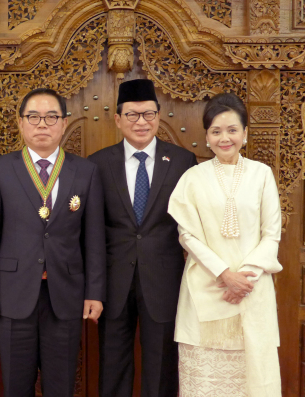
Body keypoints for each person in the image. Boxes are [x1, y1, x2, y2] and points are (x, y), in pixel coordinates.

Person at [0, 88, 106, 397]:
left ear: (63, 123)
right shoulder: (0, 170)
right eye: (33, 117)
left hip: (66, 295)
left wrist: (95, 292)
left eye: (51, 117)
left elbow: (95, 239)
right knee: (16, 385)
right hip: (11, 295)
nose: (42, 124)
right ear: (21, 124)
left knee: (60, 385)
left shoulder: (85, 172)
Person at [88, 79, 198, 397]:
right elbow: (93, 232)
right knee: (113, 365)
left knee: (162, 367)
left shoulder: (181, 162)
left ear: (159, 116)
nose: (141, 122)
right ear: (118, 118)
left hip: (163, 281)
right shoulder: (97, 164)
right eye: (133, 115)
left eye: (148, 114)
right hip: (114, 282)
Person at [168, 92, 282, 396]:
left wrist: (244, 278)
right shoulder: (192, 178)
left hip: (251, 291)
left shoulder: (262, 175)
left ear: (245, 133)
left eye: (232, 130)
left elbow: (271, 234)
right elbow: (187, 234)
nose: (224, 138)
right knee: (205, 384)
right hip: (205, 291)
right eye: (216, 131)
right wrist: (224, 275)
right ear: (206, 136)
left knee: (253, 381)